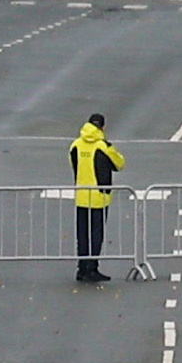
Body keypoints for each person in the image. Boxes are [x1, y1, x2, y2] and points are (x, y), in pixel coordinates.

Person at [71, 114, 121, 284]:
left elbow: (73, 164)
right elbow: (119, 164)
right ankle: (92, 268)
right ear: (103, 127)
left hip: (81, 195)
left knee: (82, 234)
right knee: (96, 234)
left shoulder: (76, 144)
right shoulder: (103, 146)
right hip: (99, 197)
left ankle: (82, 268)